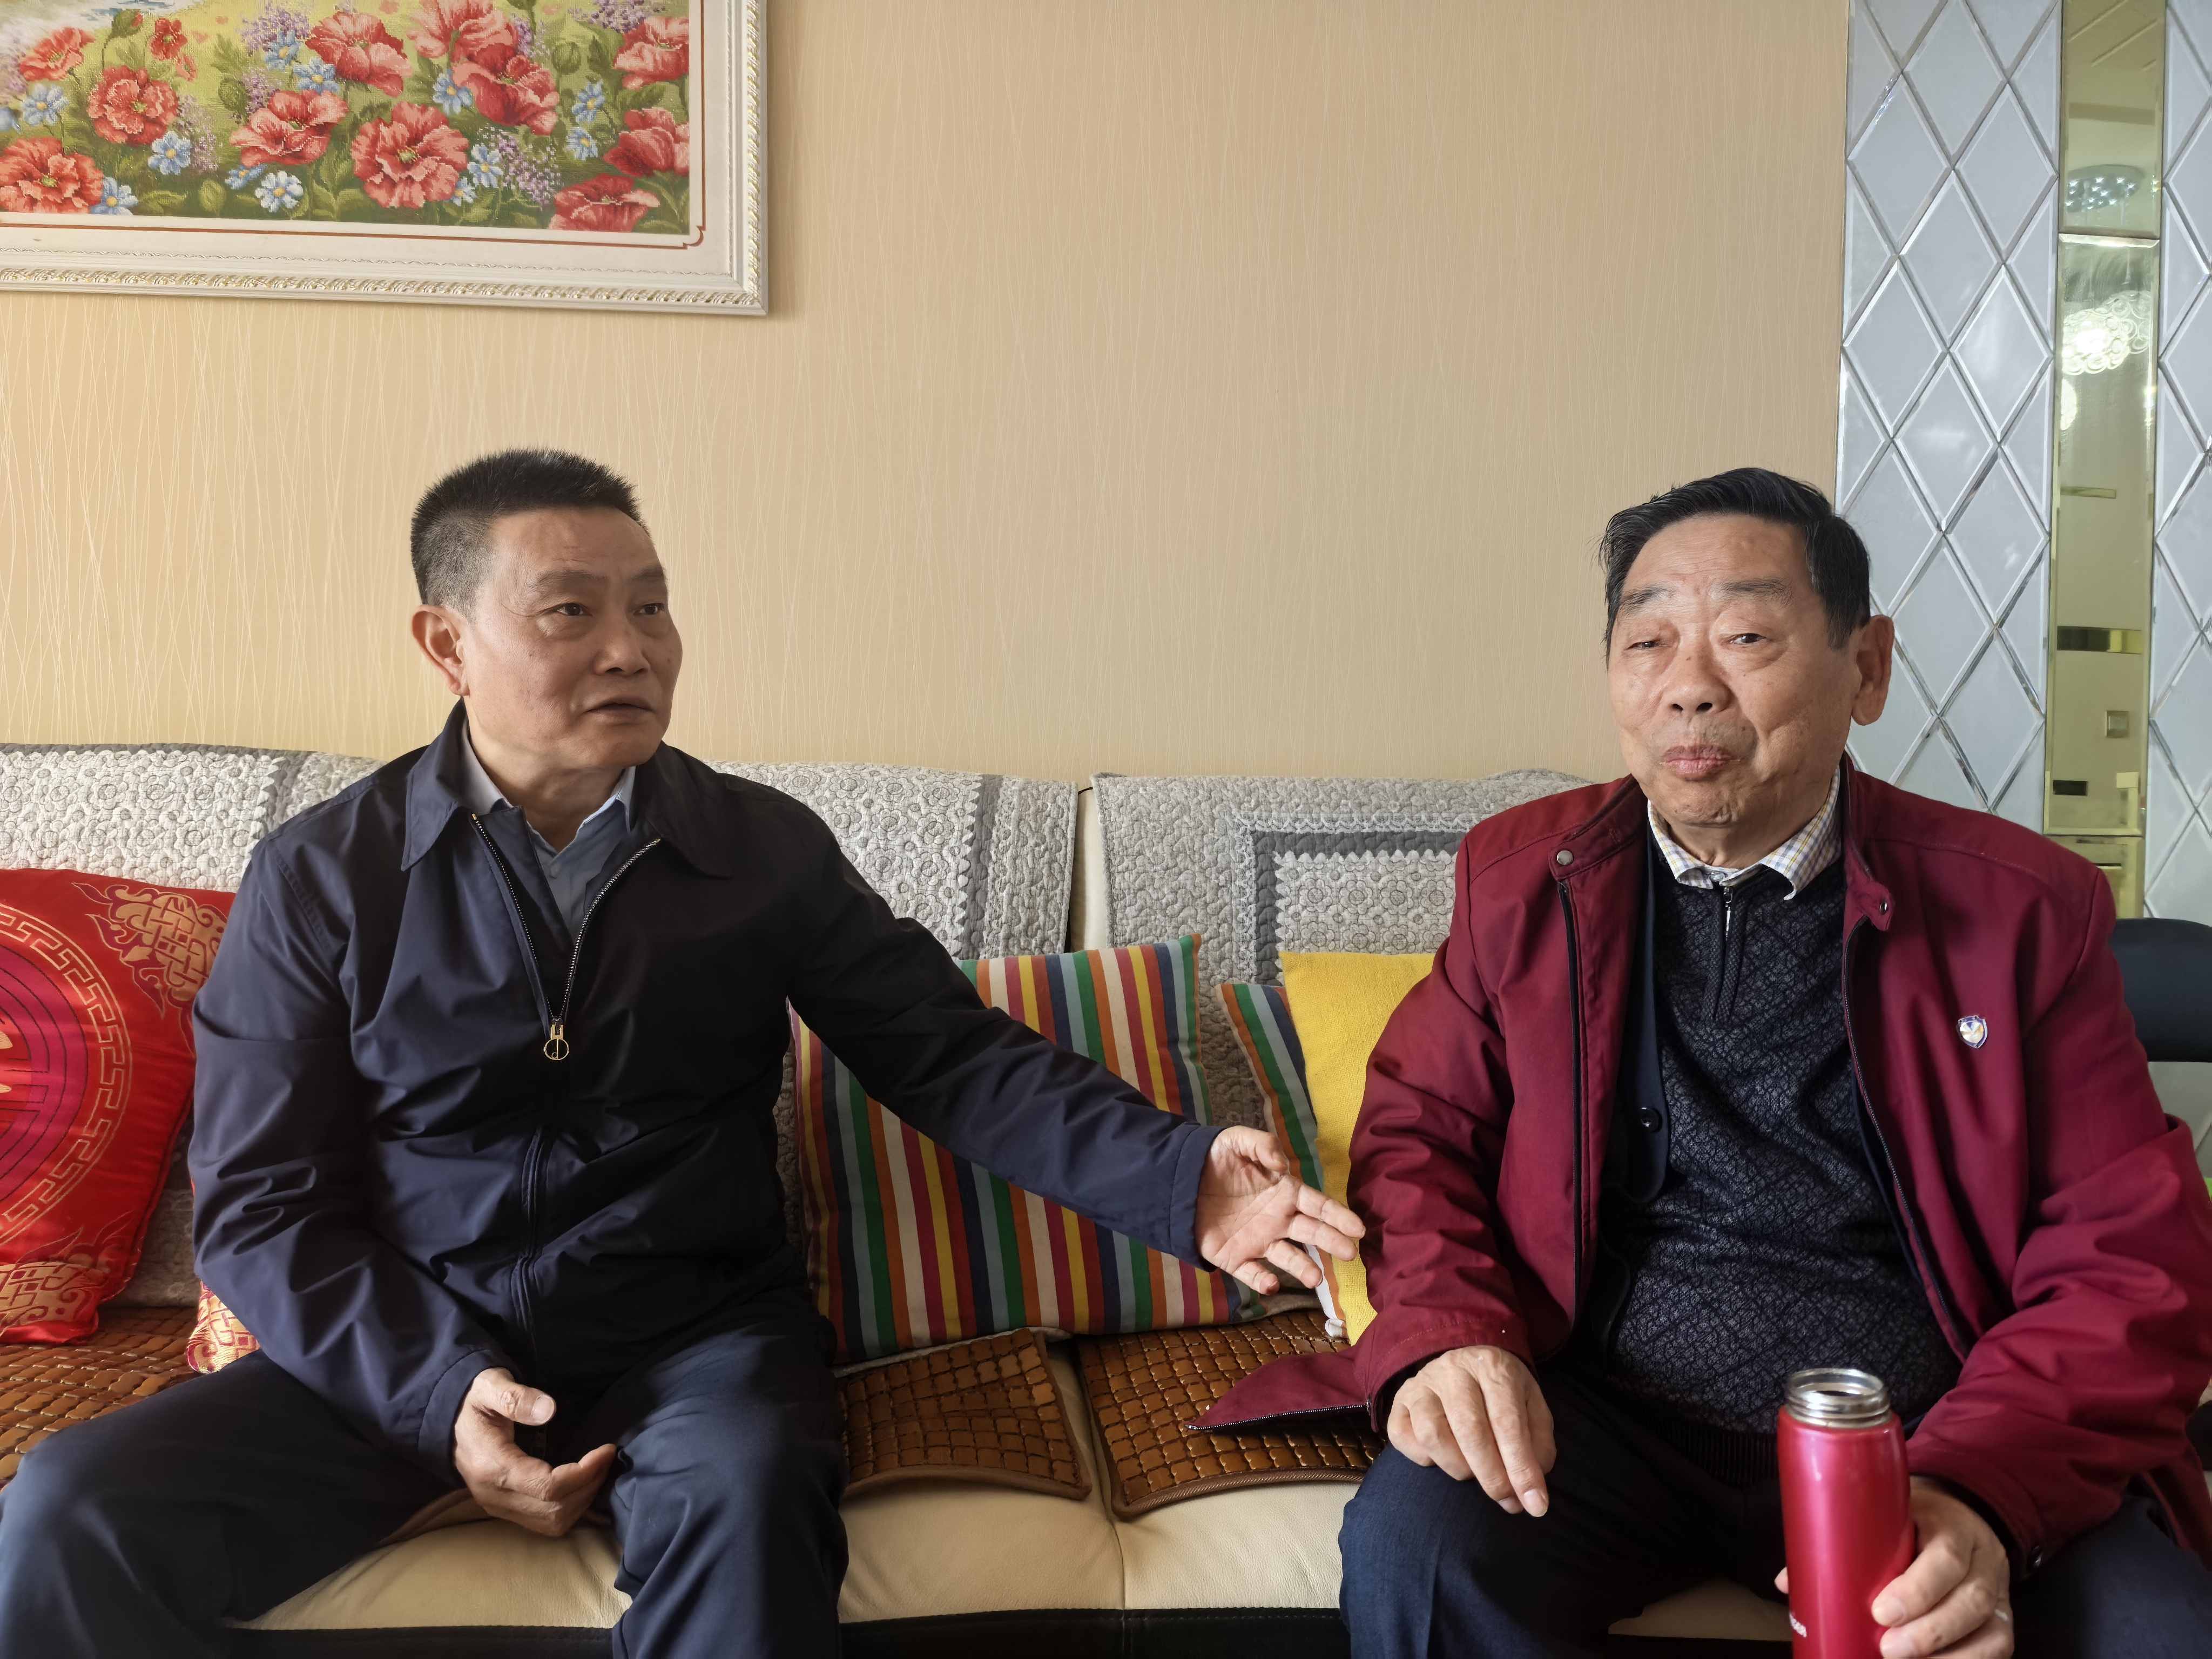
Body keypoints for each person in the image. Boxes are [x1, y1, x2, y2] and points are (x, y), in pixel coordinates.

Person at [0, 449, 1364, 1657]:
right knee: (69, 1513)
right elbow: (263, 1202)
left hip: (693, 1338)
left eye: (650, 607)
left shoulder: (757, 849)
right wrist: (436, 1391)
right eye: (571, 612)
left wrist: (1183, 1181)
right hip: (407, 1334)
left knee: (755, 1505)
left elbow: (948, 1054)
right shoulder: (323, 877)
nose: (631, 649)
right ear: (447, 642)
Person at [1310, 469, 2212, 1657]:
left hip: (1928, 1429)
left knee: (2157, 1632)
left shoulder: (2021, 911)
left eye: (1745, 637)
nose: (1688, 686)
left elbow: (2127, 1254)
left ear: (1866, 668)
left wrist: (1981, 1488)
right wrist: (1449, 1331)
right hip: (1606, 1423)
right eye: (1647, 643)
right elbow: (1417, 1136)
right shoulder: (1524, 881)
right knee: (1418, 1549)